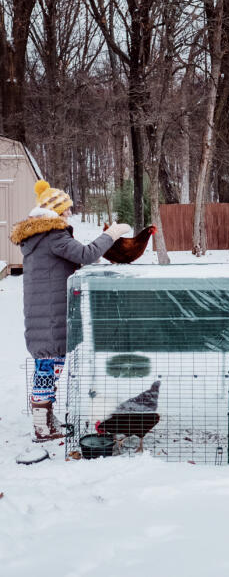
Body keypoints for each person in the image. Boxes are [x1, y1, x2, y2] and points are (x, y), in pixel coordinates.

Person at [10, 180, 130, 442]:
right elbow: (87, 254)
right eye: (67, 210)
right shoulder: (53, 235)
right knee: (48, 368)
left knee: (49, 368)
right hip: (50, 316)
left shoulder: (39, 237)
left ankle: (46, 420)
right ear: (56, 211)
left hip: (44, 312)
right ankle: (42, 427)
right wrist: (111, 235)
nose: (70, 214)